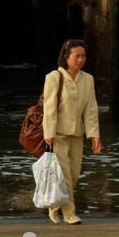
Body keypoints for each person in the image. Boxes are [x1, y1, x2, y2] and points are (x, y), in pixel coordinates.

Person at [43, 38, 102, 225]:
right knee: (65, 176)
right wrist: (49, 133)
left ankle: (54, 205)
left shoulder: (88, 79)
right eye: (77, 56)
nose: (80, 60)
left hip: (77, 134)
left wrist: (94, 135)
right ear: (66, 57)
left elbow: (91, 108)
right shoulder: (54, 77)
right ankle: (70, 214)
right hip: (58, 134)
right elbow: (49, 108)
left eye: (83, 56)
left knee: (74, 175)